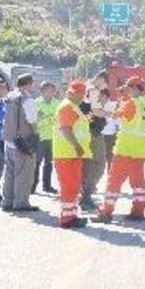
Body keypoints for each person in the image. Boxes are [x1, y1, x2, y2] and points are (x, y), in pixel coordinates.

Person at [94, 76, 145, 223]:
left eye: (128, 88)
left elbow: (115, 116)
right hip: (140, 151)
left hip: (124, 149)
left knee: (114, 182)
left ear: (134, 88)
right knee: (138, 184)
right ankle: (138, 212)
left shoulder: (132, 103)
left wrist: (101, 110)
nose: (127, 91)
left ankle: (106, 212)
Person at [53, 80, 92, 228]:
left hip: (71, 154)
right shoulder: (67, 107)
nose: (83, 97)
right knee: (69, 186)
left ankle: (71, 216)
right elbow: (66, 129)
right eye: (82, 94)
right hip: (67, 153)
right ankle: (67, 219)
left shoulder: (73, 106)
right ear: (75, 93)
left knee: (73, 186)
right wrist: (77, 146)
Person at [2, 73, 40, 212]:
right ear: (29, 83)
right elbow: (32, 121)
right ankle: (21, 203)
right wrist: (36, 135)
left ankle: (7, 201)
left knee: (10, 172)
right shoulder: (27, 99)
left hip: (9, 139)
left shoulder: (9, 97)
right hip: (23, 141)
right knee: (24, 173)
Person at [78, 72, 109, 211]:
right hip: (92, 134)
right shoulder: (93, 90)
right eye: (105, 83)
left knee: (87, 165)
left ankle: (84, 195)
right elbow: (96, 112)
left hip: (85, 133)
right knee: (98, 165)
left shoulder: (87, 89)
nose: (105, 86)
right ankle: (86, 196)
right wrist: (112, 114)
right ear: (101, 79)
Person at [34, 81, 59, 194]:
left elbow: (58, 120)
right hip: (39, 137)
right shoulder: (36, 103)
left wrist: (45, 118)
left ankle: (47, 186)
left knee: (49, 163)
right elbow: (36, 122)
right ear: (41, 91)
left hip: (53, 137)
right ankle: (32, 186)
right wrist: (49, 119)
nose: (49, 93)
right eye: (47, 90)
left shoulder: (57, 103)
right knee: (36, 163)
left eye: (51, 91)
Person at [100, 87, 118, 168]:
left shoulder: (112, 105)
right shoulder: (97, 107)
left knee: (110, 156)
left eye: (100, 95)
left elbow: (117, 120)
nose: (98, 97)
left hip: (110, 134)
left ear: (105, 96)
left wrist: (117, 133)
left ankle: (110, 174)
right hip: (100, 135)